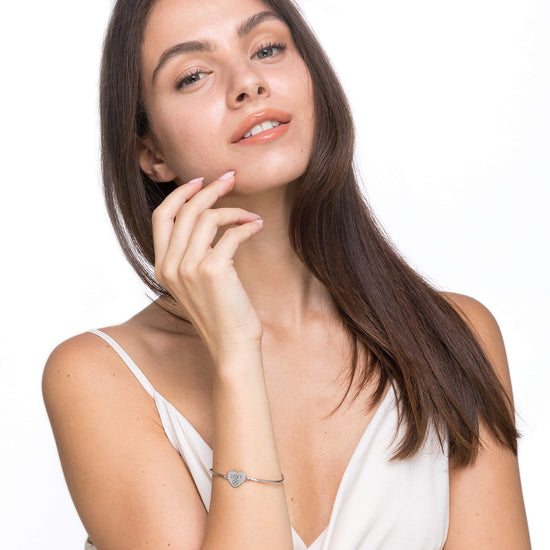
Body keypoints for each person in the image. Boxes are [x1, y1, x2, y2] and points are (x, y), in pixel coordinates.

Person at [42, 0, 531, 548]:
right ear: (151, 151)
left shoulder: (454, 336)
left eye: (267, 49)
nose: (247, 81)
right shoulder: (97, 378)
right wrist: (235, 353)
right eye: (193, 75)